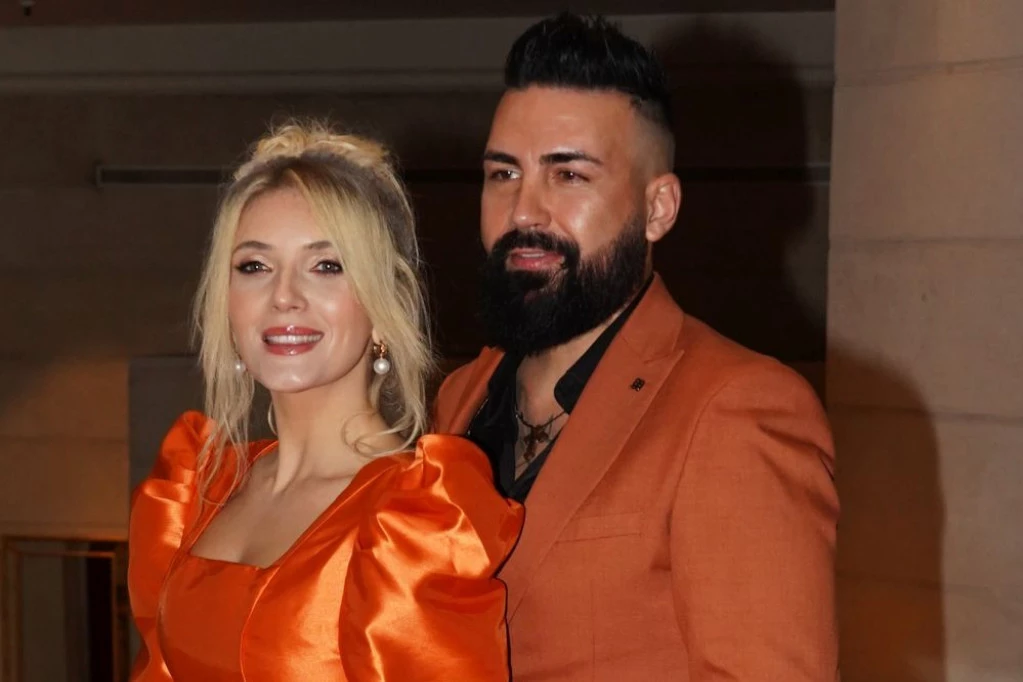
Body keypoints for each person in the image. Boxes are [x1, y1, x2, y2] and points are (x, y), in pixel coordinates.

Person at [433, 14, 839, 681]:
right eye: (503, 173)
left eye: (568, 176)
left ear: (658, 209)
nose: (523, 211)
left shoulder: (737, 408)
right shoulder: (460, 397)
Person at [127, 121, 523, 681]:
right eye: (254, 266)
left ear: (385, 303)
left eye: (326, 266)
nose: (284, 296)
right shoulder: (197, 491)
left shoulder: (415, 524)